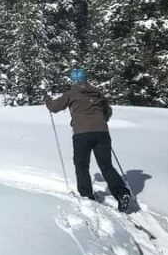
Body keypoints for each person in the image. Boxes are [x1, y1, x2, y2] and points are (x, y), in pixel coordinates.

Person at [44, 68, 131, 212]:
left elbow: (54, 107)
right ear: (86, 78)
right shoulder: (97, 92)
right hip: (102, 132)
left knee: (82, 165)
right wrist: (99, 120)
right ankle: (122, 192)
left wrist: (46, 97)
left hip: (82, 134)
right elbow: (108, 111)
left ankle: (86, 195)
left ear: (73, 80)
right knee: (106, 166)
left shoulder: (71, 93)